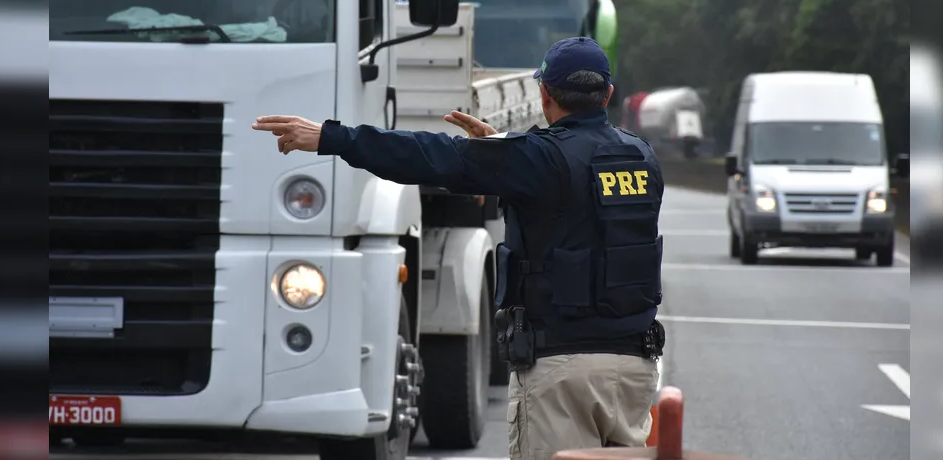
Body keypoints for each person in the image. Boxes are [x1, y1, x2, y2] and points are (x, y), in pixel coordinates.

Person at [252, 37, 665, 460]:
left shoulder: (538, 160)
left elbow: (428, 156)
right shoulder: (642, 157)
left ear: (544, 94)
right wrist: (501, 151)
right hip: (634, 369)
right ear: (608, 94)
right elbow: (579, 196)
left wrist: (330, 136)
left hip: (562, 368)